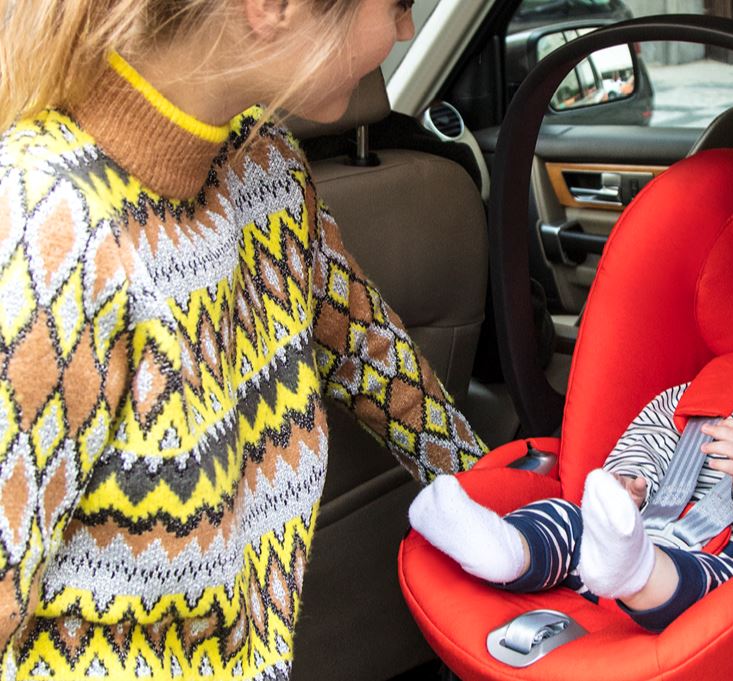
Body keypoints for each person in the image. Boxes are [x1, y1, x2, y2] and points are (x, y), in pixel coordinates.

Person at [0, 1, 487, 679]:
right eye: (400, 3)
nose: (405, 30)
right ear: (275, 7)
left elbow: (374, 361)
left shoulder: (265, 166)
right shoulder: (43, 232)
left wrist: (503, 500)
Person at [410, 231, 733, 632]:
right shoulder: (704, 393)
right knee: (566, 514)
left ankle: (638, 575)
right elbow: (649, 438)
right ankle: (506, 550)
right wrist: (629, 480)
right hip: (641, 529)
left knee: (727, 591)